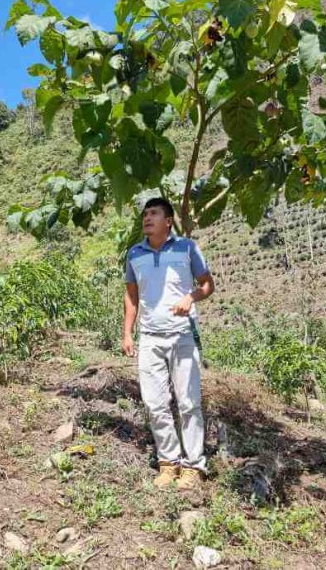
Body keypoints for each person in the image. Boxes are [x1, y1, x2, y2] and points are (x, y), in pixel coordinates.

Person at [123, 197, 215, 490]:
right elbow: (131, 296)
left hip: (182, 335)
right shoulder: (134, 254)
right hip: (150, 337)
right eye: (145, 214)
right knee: (154, 403)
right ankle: (168, 462)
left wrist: (191, 298)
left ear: (168, 221)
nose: (147, 219)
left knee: (189, 403)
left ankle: (193, 465)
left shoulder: (187, 248)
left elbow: (207, 284)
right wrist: (128, 332)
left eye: (154, 214)